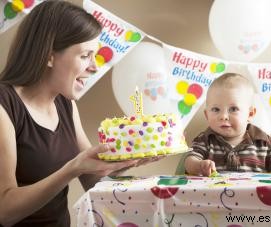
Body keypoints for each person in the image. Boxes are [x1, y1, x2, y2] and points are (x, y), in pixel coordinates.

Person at [0, 1, 158, 226]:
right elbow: (4, 211)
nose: (94, 67)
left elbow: (93, 180)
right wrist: (71, 169)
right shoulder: (4, 106)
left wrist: (126, 163)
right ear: (49, 56)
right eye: (85, 56)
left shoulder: (65, 105)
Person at [184, 73, 271, 176]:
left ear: (250, 114)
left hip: (256, 200)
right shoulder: (204, 140)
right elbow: (189, 162)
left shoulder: (265, 142)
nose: (223, 116)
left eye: (233, 109)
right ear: (207, 115)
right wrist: (199, 165)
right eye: (215, 109)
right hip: (213, 200)